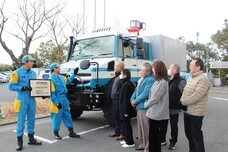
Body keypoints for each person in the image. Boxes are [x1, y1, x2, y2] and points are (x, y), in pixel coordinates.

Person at [8, 55, 42, 151]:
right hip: (21, 98)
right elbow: (11, 86)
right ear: (26, 62)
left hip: (31, 99)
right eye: (31, 61)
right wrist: (22, 88)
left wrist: (42, 93)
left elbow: (36, 86)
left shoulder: (33, 73)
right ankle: (20, 142)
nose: (32, 63)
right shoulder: (17, 73)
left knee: (31, 119)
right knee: (21, 121)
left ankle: (31, 138)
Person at [180, 58, 210, 152]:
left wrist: (183, 102)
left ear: (198, 67)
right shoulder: (190, 78)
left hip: (196, 113)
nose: (189, 66)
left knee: (196, 136)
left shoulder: (203, 79)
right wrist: (181, 100)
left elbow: (197, 95)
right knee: (189, 135)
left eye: (191, 65)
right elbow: (184, 91)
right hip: (188, 111)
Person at [49, 62, 80, 140]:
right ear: (54, 69)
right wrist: (56, 103)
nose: (59, 69)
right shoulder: (51, 79)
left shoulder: (61, 77)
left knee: (67, 115)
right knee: (57, 117)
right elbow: (52, 94)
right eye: (58, 67)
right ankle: (56, 133)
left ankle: (71, 132)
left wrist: (74, 74)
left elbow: (68, 81)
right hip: (57, 100)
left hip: (64, 99)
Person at [160, 64, 186, 150]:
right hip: (165, 107)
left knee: (173, 126)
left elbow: (185, 94)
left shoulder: (181, 81)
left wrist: (180, 104)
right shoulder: (168, 79)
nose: (169, 70)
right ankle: (162, 139)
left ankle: (173, 142)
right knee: (163, 124)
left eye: (170, 68)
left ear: (175, 70)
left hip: (174, 108)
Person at [144, 60, 169, 152]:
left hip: (157, 112)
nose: (152, 69)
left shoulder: (162, 82)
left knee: (154, 136)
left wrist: (145, 104)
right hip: (154, 111)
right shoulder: (158, 81)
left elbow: (154, 98)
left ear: (158, 69)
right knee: (153, 136)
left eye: (154, 67)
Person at [131, 62, 155, 152]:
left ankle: (147, 147)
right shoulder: (142, 79)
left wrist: (135, 101)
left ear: (148, 71)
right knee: (140, 128)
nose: (140, 71)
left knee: (145, 128)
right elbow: (136, 91)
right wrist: (132, 99)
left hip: (144, 107)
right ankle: (142, 145)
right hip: (139, 107)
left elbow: (145, 93)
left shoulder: (150, 80)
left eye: (142, 70)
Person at [118, 69, 136, 148]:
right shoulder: (127, 83)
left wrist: (126, 111)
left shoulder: (126, 85)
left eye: (121, 74)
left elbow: (126, 100)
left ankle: (130, 142)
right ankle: (127, 139)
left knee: (127, 125)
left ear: (125, 75)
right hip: (125, 109)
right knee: (126, 125)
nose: (120, 75)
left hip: (125, 110)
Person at [109, 61, 125, 140]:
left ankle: (122, 133)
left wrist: (117, 94)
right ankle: (117, 131)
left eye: (116, 66)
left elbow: (122, 88)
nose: (115, 67)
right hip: (114, 99)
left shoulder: (122, 76)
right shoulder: (117, 76)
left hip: (118, 100)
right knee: (116, 116)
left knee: (120, 117)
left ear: (119, 68)